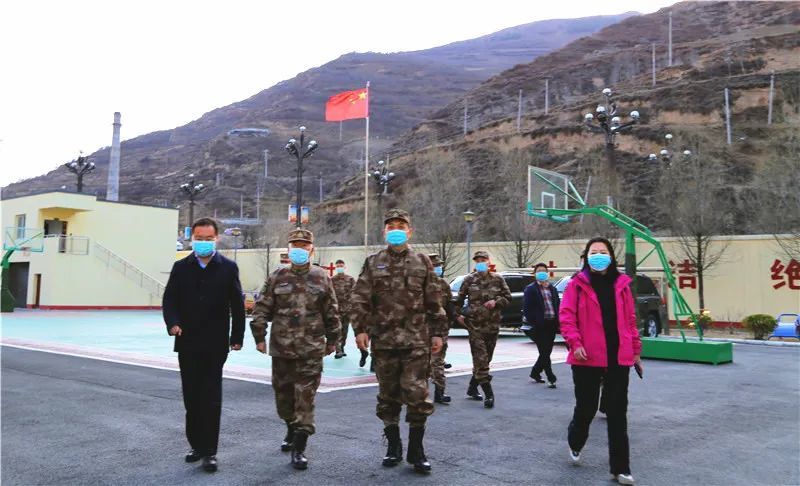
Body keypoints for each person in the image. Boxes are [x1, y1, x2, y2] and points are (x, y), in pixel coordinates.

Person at [351, 208, 445, 474]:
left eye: (400, 226)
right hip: (384, 342)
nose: (395, 230)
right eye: (391, 226)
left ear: (409, 231)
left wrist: (438, 332)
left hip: (416, 341)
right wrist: (360, 329)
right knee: (387, 397)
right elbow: (360, 298)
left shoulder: (422, 261)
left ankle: (417, 450)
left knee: (418, 394)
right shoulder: (373, 262)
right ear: (384, 232)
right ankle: (393, 446)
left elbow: (434, 299)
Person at [250, 229, 340, 470]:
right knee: (284, 398)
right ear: (288, 249)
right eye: (295, 245)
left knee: (305, 397)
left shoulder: (322, 278)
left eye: (304, 245)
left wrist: (333, 339)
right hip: (282, 349)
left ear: (312, 249)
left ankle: (300, 447)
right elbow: (262, 308)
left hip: (311, 349)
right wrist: (259, 336)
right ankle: (291, 426)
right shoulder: (277, 277)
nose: (299, 249)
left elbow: (331, 311)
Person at [162, 217, 245, 473]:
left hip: (215, 344)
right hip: (187, 342)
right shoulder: (181, 267)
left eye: (209, 239)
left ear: (216, 239)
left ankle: (209, 452)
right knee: (192, 397)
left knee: (210, 398)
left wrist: (237, 337)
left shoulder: (228, 268)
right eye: (199, 238)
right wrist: (173, 323)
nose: (204, 242)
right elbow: (169, 300)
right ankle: (196, 445)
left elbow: (237, 305)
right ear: (192, 239)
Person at [559, 237, 642, 485]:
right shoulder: (577, 284)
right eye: (593, 252)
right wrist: (576, 343)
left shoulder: (622, 285)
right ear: (586, 257)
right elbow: (566, 317)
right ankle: (575, 440)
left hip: (618, 357)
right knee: (587, 408)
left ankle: (621, 468)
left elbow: (630, 320)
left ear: (611, 256)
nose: (598, 256)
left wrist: (635, 350)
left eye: (602, 252)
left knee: (617, 414)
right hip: (586, 357)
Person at [455, 251, 512, 409]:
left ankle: (472, 387)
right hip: (475, 327)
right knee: (481, 360)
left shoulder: (498, 279)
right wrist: (458, 316)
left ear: (489, 261)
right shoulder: (469, 280)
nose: (480, 262)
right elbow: (459, 300)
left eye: (483, 259)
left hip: (492, 327)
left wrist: (496, 301)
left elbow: (508, 298)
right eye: (478, 260)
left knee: (486, 360)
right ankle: (489, 394)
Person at [523, 262, 561, 388]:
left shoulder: (552, 288)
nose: (542, 273)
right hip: (540, 325)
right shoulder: (531, 289)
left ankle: (535, 372)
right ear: (534, 273)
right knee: (544, 352)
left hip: (552, 324)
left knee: (546, 351)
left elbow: (557, 305)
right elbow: (527, 309)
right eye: (539, 271)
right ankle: (551, 377)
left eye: (544, 270)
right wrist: (534, 322)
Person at [427, 254, 455, 404]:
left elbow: (449, 305)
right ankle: (419, 394)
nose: (438, 268)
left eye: (439, 266)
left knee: (438, 361)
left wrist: (451, 320)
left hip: (441, 329)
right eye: (435, 266)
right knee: (421, 363)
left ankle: (439, 392)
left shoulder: (443, 284)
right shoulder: (419, 284)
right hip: (422, 330)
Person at [331, 259, 361, 361]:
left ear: (344, 267)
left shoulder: (350, 279)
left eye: (341, 266)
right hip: (336, 309)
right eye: (338, 266)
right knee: (337, 329)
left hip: (348, 309)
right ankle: (338, 350)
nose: (340, 267)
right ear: (336, 267)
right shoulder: (332, 280)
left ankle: (342, 347)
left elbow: (355, 292)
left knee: (345, 330)